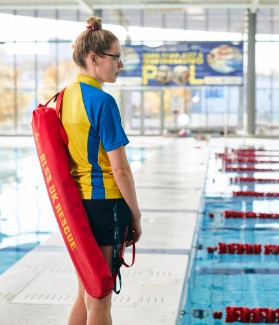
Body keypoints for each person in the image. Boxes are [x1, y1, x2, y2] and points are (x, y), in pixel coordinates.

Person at [62, 16, 142, 325]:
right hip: (105, 204)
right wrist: (135, 215)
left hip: (76, 206)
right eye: (116, 56)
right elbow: (120, 170)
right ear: (94, 58)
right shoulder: (102, 101)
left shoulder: (63, 98)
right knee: (100, 299)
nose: (120, 64)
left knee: (85, 289)